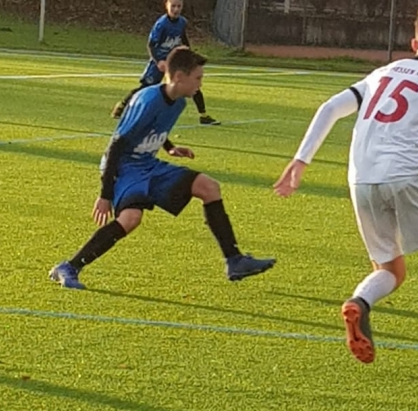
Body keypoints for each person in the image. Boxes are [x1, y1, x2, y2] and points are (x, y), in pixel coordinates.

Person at [274, 6, 418, 376]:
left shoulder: (383, 72)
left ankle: (360, 301)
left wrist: (301, 160)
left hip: (361, 178)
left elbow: (330, 107)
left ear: (413, 43)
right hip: (407, 175)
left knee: (391, 269)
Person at [51, 47, 275, 289]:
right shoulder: (148, 101)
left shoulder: (178, 103)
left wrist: (169, 147)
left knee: (208, 187)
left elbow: (151, 127)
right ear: (179, 77)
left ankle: (234, 260)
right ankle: (69, 267)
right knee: (130, 219)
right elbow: (116, 145)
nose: (200, 84)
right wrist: (105, 194)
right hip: (124, 166)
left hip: (147, 163)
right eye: (197, 78)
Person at [111, 0, 219, 125]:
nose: (176, 9)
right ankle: (122, 105)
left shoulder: (182, 22)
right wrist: (158, 61)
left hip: (174, 61)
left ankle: (203, 115)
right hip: (160, 60)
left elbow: (183, 40)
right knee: (146, 87)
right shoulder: (161, 24)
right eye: (173, 6)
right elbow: (151, 45)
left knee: (191, 82)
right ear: (166, 5)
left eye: (179, 6)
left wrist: (188, 55)